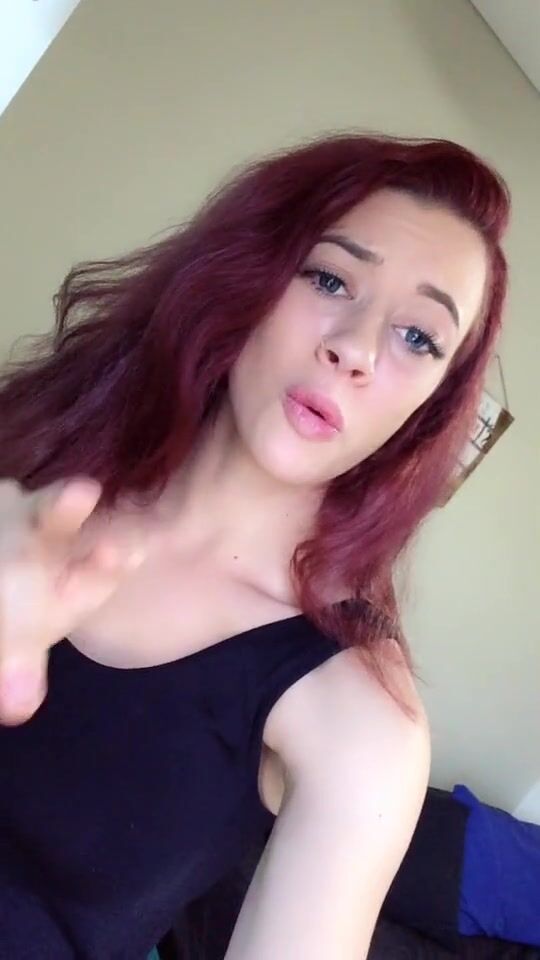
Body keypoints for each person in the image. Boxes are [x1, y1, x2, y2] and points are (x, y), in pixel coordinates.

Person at [0, 131, 510, 960]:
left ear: (430, 406)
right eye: (330, 278)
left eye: (418, 338)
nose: (354, 348)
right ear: (251, 275)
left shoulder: (358, 718)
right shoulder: (34, 459)